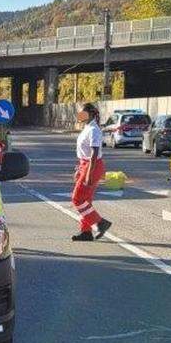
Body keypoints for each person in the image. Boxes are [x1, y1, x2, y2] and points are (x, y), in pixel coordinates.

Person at [70, 103, 112, 241]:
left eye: (83, 113)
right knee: (85, 201)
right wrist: (79, 168)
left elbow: (94, 153)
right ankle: (86, 231)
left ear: (91, 114)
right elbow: (84, 152)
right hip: (85, 165)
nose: (80, 115)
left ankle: (100, 222)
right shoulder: (87, 128)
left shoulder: (94, 130)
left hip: (92, 166)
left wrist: (88, 173)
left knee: (77, 199)